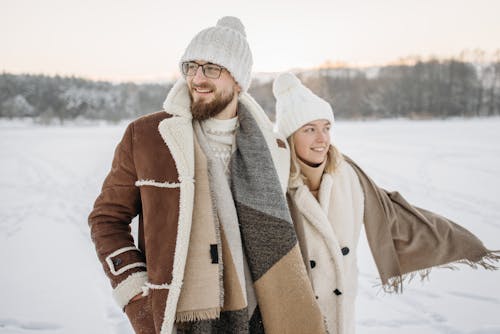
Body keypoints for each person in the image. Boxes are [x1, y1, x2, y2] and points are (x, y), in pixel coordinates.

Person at [89, 17, 328, 334]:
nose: (197, 78)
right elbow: (106, 218)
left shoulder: (274, 150)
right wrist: (136, 293)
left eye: (212, 68)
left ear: (239, 80)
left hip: (266, 319)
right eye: (191, 66)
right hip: (181, 320)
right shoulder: (148, 137)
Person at [272, 72, 500, 334]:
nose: (322, 139)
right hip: (293, 314)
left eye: (326, 127)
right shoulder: (275, 183)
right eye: (310, 129)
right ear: (290, 136)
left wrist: (460, 241)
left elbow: (395, 213)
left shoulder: (348, 176)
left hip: (340, 312)